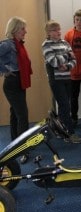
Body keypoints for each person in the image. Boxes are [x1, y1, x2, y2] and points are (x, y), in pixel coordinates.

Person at [42, 20, 81, 143]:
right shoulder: (46, 45)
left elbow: (74, 60)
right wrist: (67, 55)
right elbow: (53, 62)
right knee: (65, 105)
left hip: (66, 78)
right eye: (55, 30)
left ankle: (60, 129)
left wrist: (68, 65)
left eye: (59, 29)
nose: (58, 32)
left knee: (65, 105)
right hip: (56, 80)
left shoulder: (65, 43)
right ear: (49, 33)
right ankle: (70, 133)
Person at [0, 16, 33, 164]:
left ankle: (14, 143)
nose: (25, 31)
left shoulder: (18, 44)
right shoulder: (8, 44)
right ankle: (23, 149)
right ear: (14, 30)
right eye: (22, 29)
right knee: (23, 116)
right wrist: (4, 70)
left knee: (15, 113)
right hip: (12, 82)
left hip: (19, 81)